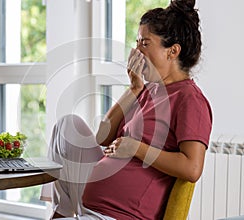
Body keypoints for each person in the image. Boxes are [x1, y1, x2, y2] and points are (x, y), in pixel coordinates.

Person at [40, 0, 212, 219]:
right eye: (137, 42)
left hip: (120, 214)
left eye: (145, 43)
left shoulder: (189, 99)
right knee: (67, 125)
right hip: (94, 202)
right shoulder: (147, 90)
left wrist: (135, 148)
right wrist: (134, 88)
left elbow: (192, 168)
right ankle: (62, 214)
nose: (136, 51)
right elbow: (102, 137)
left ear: (172, 51)